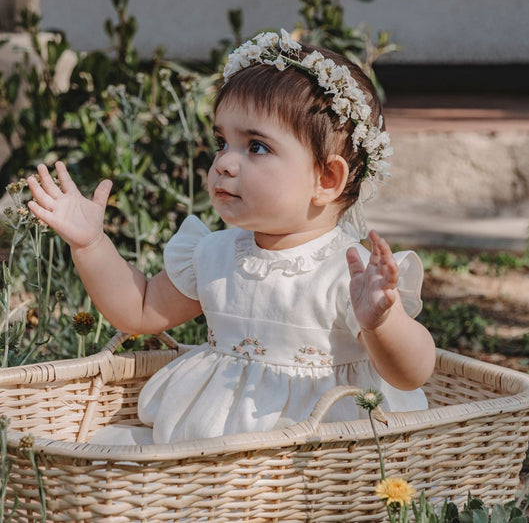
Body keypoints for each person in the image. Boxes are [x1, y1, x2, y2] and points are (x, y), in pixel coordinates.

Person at [28, 29, 436, 445]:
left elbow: (411, 373)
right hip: (213, 441)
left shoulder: (350, 276)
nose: (224, 162)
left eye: (256, 147)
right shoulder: (216, 254)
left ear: (327, 178)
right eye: (222, 141)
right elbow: (140, 310)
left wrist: (382, 322)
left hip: (318, 455)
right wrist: (91, 244)